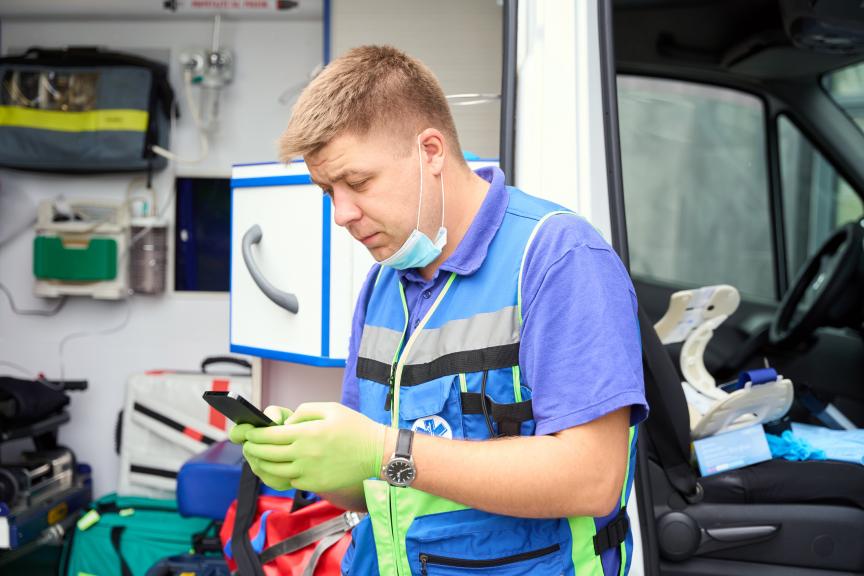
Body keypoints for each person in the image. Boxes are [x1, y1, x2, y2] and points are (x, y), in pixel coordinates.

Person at [230, 45, 648, 575]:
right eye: (326, 191)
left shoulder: (558, 259)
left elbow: (592, 478)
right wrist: (306, 460)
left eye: (357, 182)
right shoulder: (383, 286)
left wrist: (383, 449)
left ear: (430, 151)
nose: (342, 214)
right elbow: (376, 490)